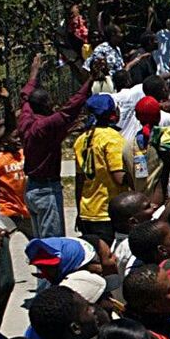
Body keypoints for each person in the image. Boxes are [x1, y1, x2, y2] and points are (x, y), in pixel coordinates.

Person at [17, 52, 93, 239]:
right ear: (44, 105)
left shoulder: (25, 118)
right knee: (53, 244)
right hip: (47, 190)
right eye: (50, 102)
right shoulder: (46, 125)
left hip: (32, 188)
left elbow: (25, 96)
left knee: (41, 242)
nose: (54, 104)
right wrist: (90, 80)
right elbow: (70, 108)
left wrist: (34, 72)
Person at [73, 92, 130, 244]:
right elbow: (119, 178)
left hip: (87, 211)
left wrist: (79, 212)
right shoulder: (112, 138)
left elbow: (79, 180)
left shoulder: (81, 140)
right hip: (107, 212)